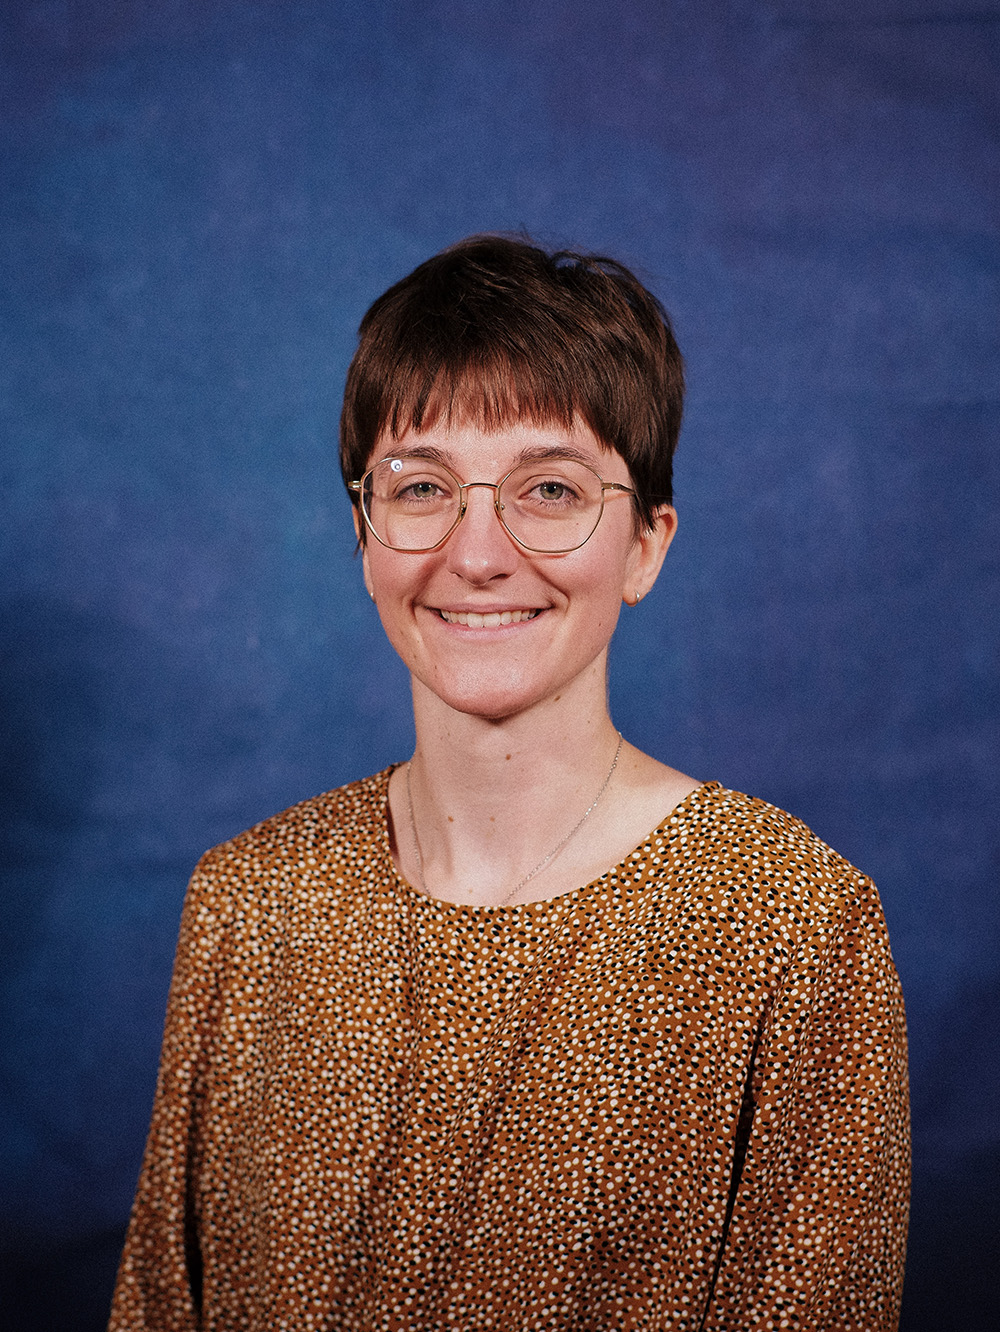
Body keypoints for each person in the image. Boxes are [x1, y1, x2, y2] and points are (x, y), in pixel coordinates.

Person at [109, 235, 909, 1331]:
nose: (478, 553)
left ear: (646, 545)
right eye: (421, 486)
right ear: (363, 535)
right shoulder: (248, 906)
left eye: (549, 488)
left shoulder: (793, 928)